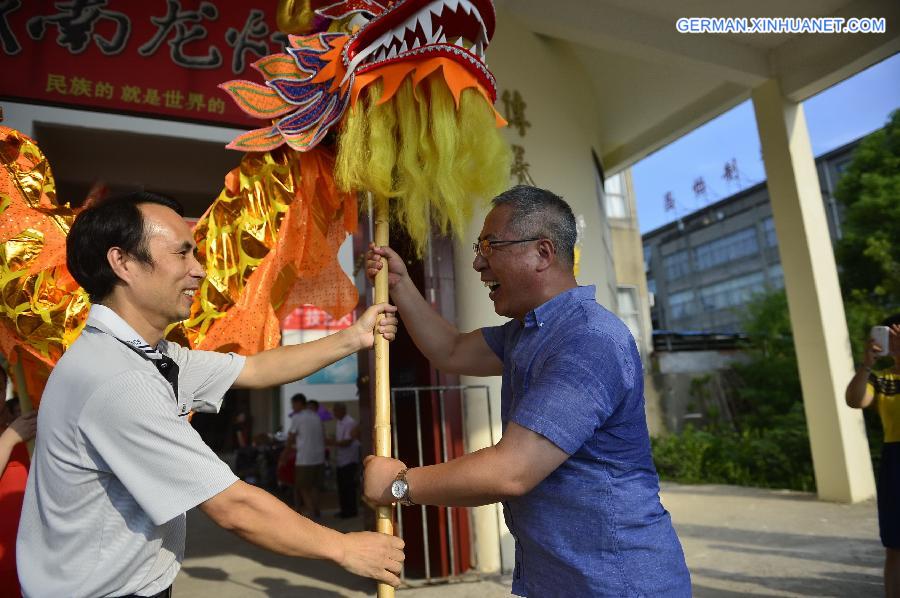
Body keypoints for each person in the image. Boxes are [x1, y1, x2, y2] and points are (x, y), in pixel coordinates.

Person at [17, 192, 405, 598]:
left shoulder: (145, 355)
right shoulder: (119, 381)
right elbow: (233, 507)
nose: (199, 270)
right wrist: (345, 548)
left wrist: (355, 337)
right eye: (182, 254)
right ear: (123, 262)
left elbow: (255, 369)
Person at [363, 185, 691, 596]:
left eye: (490, 245)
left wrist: (400, 484)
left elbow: (512, 470)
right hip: (559, 579)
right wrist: (401, 284)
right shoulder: (528, 332)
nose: (478, 263)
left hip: (616, 581)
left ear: (543, 252)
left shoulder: (588, 339)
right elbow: (451, 350)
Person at [845, 314, 900, 598]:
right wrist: (867, 364)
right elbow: (855, 400)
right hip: (895, 460)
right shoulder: (883, 379)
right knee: (895, 545)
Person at [0, 368, 37, 598]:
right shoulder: (13, 433)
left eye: (0, 387)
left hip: (29, 558)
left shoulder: (19, 430)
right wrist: (10, 438)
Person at [288, 395, 327, 518]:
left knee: (303, 487)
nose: (292, 407)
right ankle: (316, 510)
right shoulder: (316, 416)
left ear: (299, 403)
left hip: (305, 458)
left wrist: (285, 454)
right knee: (315, 486)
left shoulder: (297, 417)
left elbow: (291, 437)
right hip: (319, 457)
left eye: (293, 404)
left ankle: (311, 513)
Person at [330, 402, 361, 518]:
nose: (334, 413)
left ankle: (351, 511)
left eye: (336, 411)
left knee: (349, 487)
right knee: (342, 487)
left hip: (349, 460)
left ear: (342, 410)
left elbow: (347, 442)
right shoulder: (339, 422)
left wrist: (332, 442)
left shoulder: (349, 422)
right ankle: (344, 510)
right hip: (341, 460)